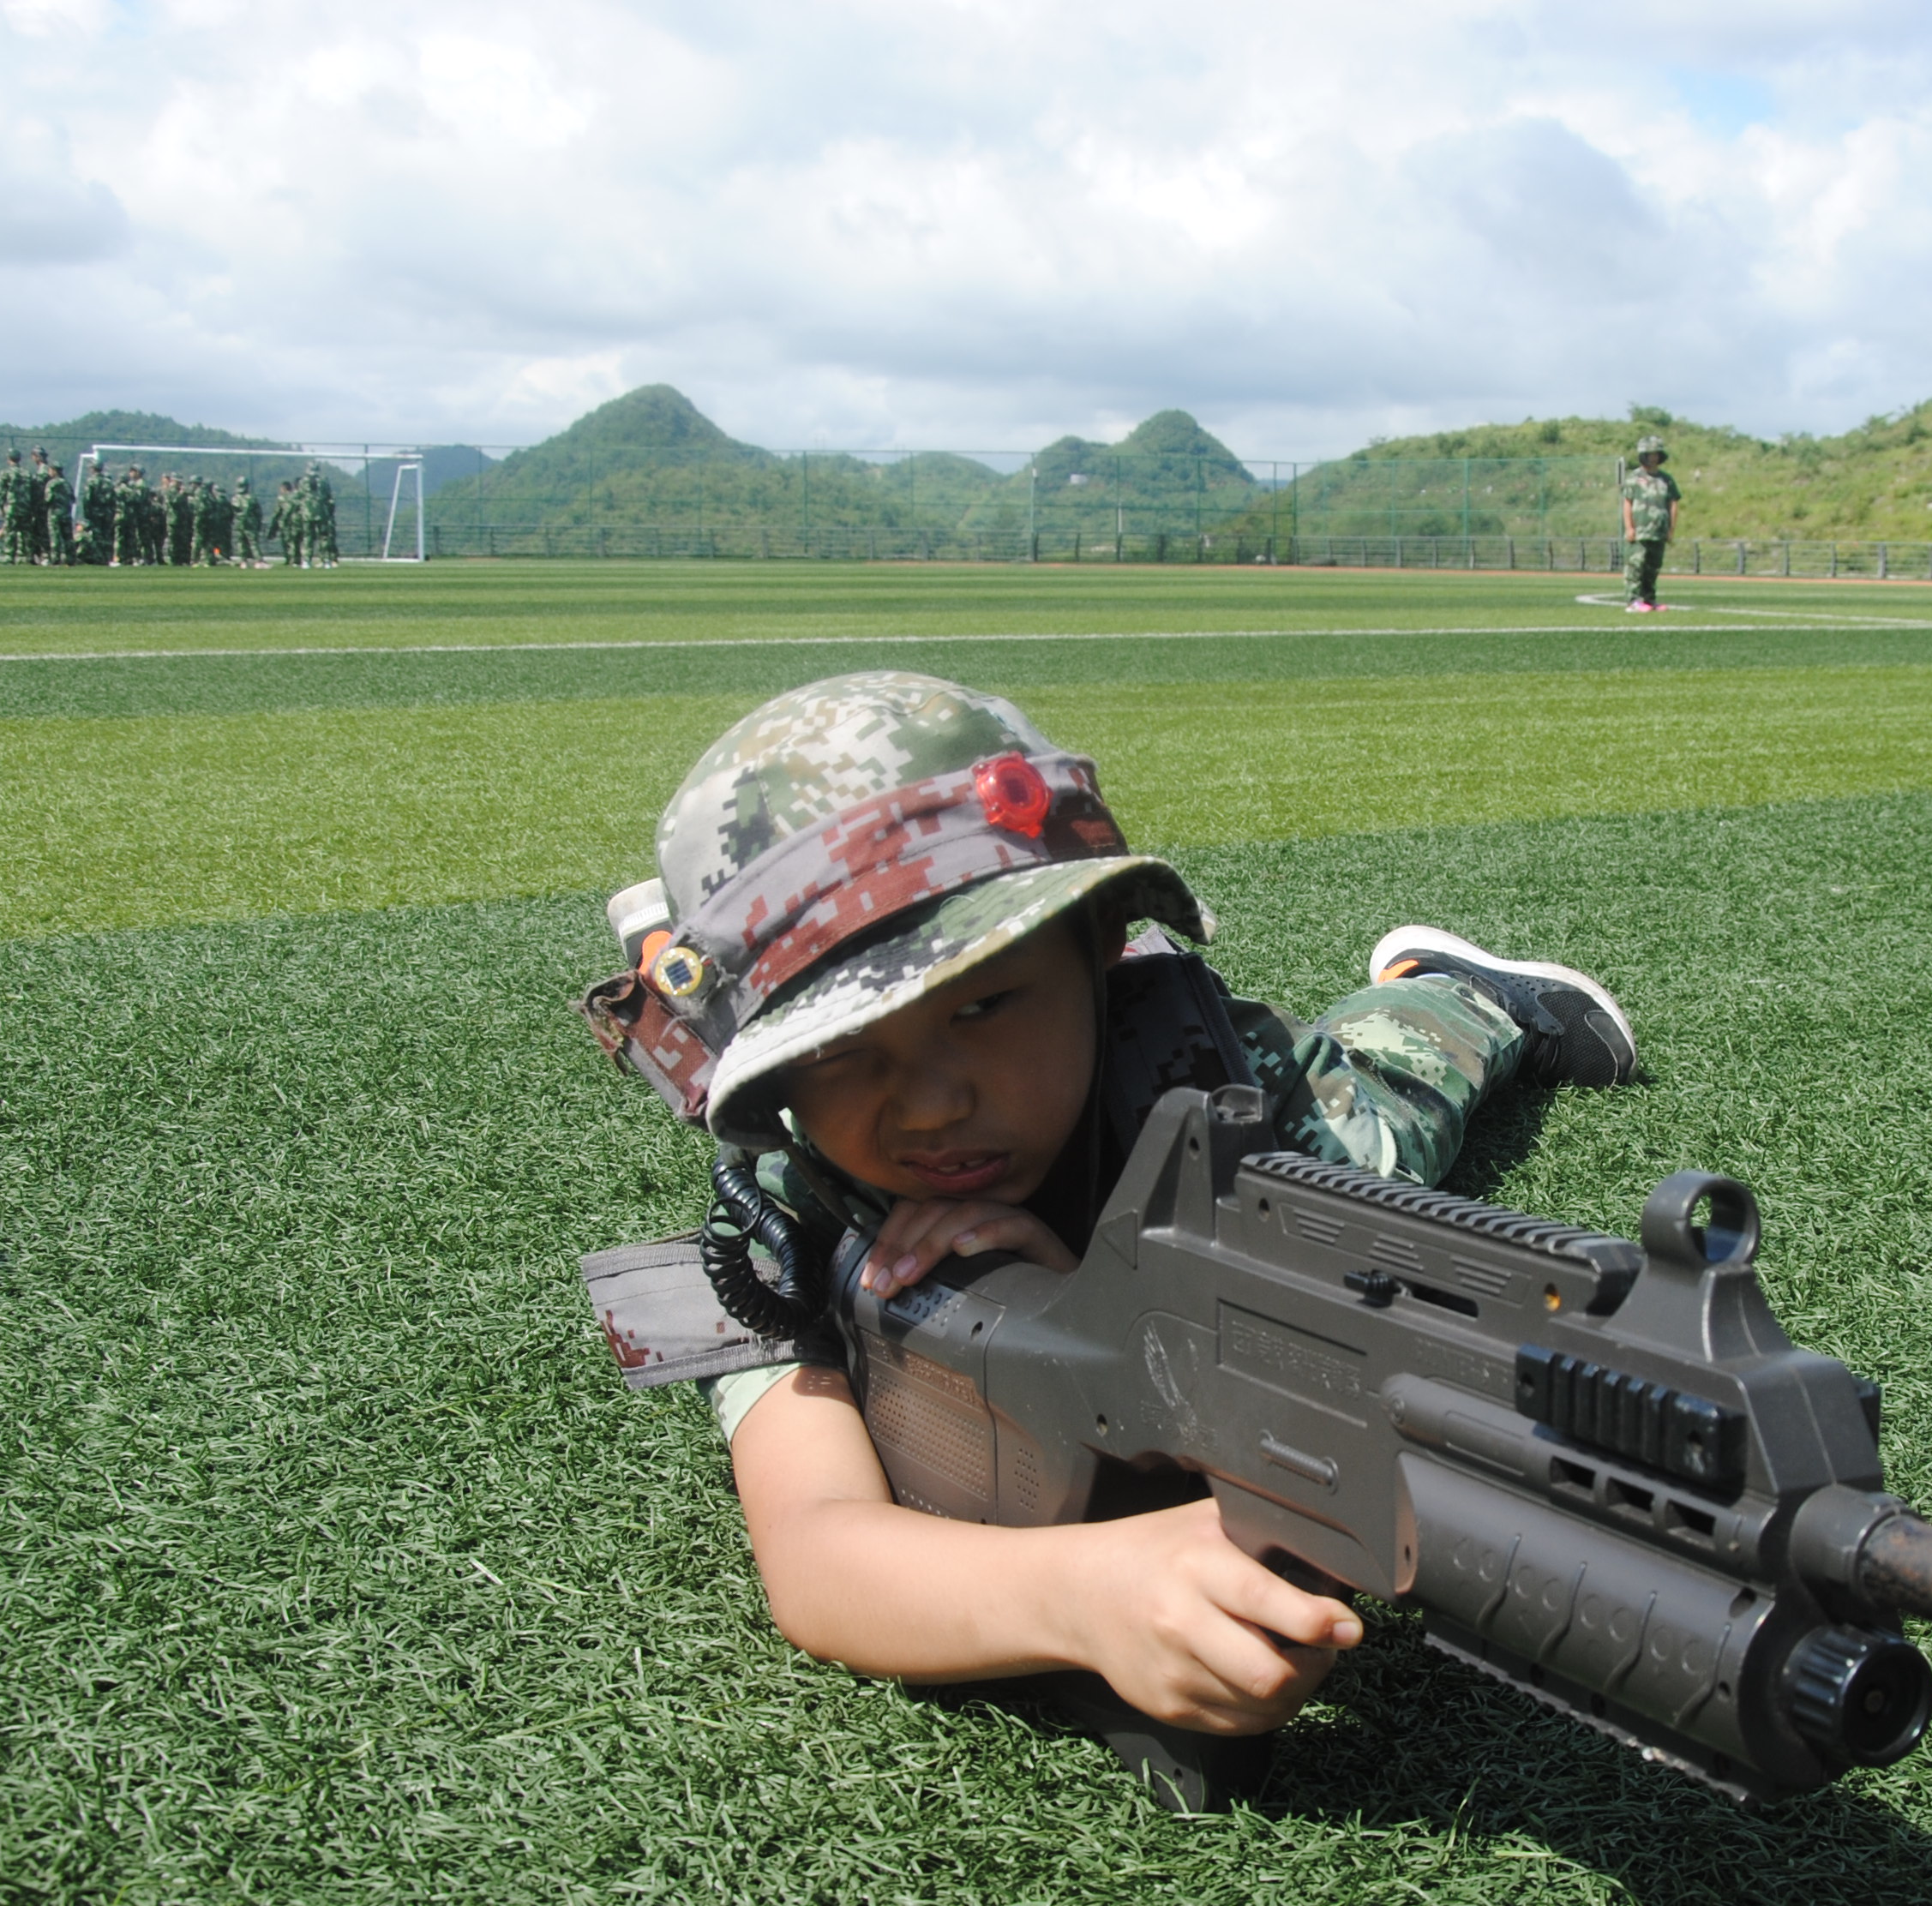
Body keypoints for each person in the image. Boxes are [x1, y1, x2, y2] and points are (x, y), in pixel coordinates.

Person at [589, 672, 1640, 1738]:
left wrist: (1095, 1306)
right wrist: (1083, 1594)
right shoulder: (783, 1203)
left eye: (985, 1005)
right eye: (838, 1052)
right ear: (768, 1085)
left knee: (1394, 1112)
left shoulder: (1208, 1091)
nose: (931, 1105)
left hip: (1186, 1106)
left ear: (1100, 943)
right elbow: (817, 1552)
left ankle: (1450, 987)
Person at [1619, 433, 1677, 612]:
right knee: (1636, 566)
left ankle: (1649, 599)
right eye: (1650, 454)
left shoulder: (1666, 479)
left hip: (1658, 531)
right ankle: (1633, 601)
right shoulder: (1634, 478)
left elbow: (1673, 503)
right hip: (1640, 531)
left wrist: (1670, 530)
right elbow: (1627, 503)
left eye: (1656, 454)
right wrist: (1629, 527)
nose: (1653, 457)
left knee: (1652, 569)